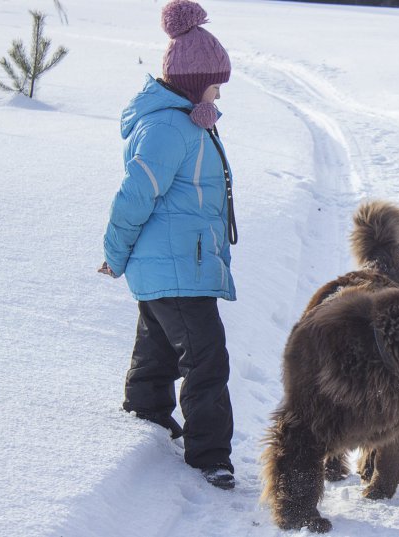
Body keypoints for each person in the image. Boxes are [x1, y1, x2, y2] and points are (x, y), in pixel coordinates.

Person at [98, 0, 238, 490]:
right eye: (215, 81)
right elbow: (134, 194)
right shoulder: (168, 127)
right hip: (176, 268)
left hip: (176, 265)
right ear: (192, 80)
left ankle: (147, 413)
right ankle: (210, 456)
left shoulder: (187, 120)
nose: (220, 91)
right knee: (206, 357)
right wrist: (115, 254)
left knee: (158, 344)